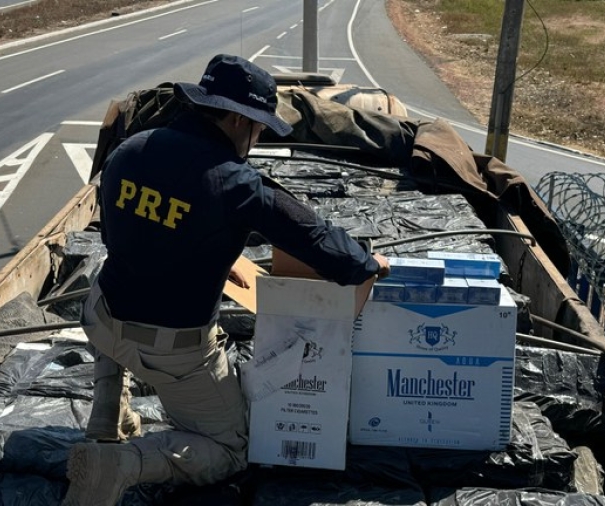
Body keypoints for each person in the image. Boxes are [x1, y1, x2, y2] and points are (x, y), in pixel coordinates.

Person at [61, 54, 390, 506]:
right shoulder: (236, 184)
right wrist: (368, 263)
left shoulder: (130, 149)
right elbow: (316, 240)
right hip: (171, 353)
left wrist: (207, 255)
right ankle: (123, 462)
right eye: (258, 129)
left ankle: (104, 417)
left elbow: (127, 235)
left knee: (119, 278)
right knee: (230, 449)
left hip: (100, 317)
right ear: (238, 120)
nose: (257, 139)